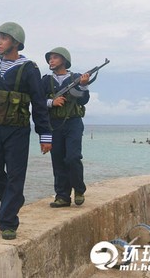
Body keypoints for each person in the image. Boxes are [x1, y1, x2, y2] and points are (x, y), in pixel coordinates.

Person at [0, 22, 52, 240]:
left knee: (16, 176)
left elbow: (38, 103)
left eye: (4, 38)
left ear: (16, 43)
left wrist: (45, 136)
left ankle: (8, 222)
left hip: (17, 130)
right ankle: (14, 200)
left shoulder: (29, 68)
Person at [41, 47, 90, 208]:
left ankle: (79, 189)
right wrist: (51, 102)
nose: (51, 61)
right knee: (58, 160)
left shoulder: (75, 77)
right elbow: (37, 102)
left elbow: (83, 101)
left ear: (64, 60)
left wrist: (83, 86)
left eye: (55, 58)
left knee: (73, 157)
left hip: (73, 122)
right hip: (54, 124)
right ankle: (62, 196)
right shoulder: (46, 80)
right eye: (50, 58)